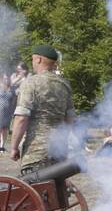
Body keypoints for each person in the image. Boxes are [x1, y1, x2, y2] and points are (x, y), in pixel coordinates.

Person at [11, 45, 75, 174]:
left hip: (37, 152)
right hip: (59, 151)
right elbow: (70, 119)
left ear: (39, 59)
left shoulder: (31, 83)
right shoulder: (64, 84)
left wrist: (13, 147)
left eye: (33, 59)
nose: (33, 63)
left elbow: (21, 118)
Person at [0, 73, 15, 154]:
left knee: (5, 129)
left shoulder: (11, 89)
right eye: (4, 78)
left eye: (7, 78)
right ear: (1, 79)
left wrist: (12, 108)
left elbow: (14, 99)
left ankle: (2, 146)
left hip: (8, 112)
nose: (6, 80)